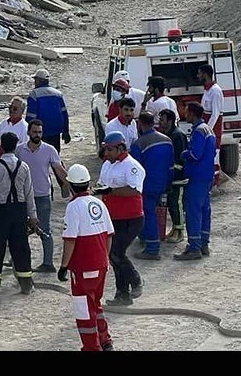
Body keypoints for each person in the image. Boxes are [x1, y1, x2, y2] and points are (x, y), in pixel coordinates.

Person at [59, 164, 115, 352]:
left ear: (72, 186)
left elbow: (70, 240)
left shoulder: (73, 207)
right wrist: (104, 259)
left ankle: (92, 346)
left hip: (83, 267)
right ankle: (105, 340)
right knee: (95, 303)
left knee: (84, 309)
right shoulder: (99, 203)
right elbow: (108, 235)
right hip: (100, 265)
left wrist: (63, 266)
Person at [0, 132, 37, 296]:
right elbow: (29, 193)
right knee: (21, 248)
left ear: (1, 147)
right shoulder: (24, 166)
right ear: (15, 147)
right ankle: (26, 284)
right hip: (19, 211)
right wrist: (32, 215)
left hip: (0, 211)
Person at [95, 131, 145, 306]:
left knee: (117, 253)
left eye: (109, 150)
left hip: (131, 218)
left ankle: (136, 280)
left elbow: (134, 190)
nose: (106, 153)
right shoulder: (107, 165)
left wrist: (109, 191)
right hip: (112, 218)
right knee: (113, 255)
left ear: (120, 148)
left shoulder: (132, 166)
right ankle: (122, 294)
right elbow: (101, 185)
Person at [17, 119, 70, 273]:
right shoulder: (19, 150)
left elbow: (59, 170)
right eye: (34, 132)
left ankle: (48, 263)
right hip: (23, 197)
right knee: (20, 230)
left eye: (40, 132)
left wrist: (74, 187)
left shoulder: (50, 150)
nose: (37, 135)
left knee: (45, 229)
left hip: (42, 196)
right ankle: (18, 261)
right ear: (28, 132)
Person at [174, 103, 216, 261]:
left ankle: (194, 248)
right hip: (207, 176)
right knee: (205, 211)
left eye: (186, 112)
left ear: (192, 113)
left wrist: (184, 154)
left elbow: (196, 155)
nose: (185, 114)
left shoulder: (198, 131)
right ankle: (203, 244)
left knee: (193, 212)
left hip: (197, 177)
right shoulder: (208, 129)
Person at [130, 111, 174, 261]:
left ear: (140, 124)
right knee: (153, 214)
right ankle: (146, 237)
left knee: (148, 215)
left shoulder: (138, 144)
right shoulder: (167, 140)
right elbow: (170, 166)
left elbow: (135, 169)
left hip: (147, 185)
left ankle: (152, 249)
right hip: (162, 184)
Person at [159, 109, 189, 244]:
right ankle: (175, 229)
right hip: (170, 176)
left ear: (170, 120)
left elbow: (180, 158)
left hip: (178, 177)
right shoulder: (168, 134)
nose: (160, 122)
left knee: (176, 203)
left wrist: (172, 171)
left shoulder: (178, 135)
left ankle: (180, 231)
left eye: (162, 119)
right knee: (171, 204)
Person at [198, 64, 224, 188]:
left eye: (199, 73)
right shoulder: (207, 89)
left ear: (205, 74)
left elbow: (215, 114)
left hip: (213, 130)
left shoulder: (215, 90)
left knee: (214, 157)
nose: (198, 76)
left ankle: (214, 184)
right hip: (207, 127)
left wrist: (207, 130)